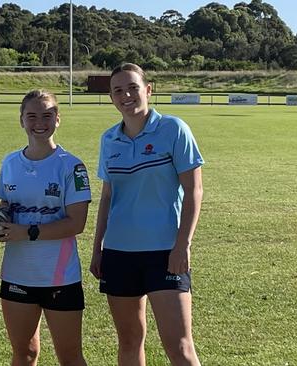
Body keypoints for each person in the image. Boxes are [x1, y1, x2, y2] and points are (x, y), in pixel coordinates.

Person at [89, 62, 204, 366]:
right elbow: (108, 197)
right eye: (118, 90)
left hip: (164, 252)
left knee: (179, 346)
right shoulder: (109, 139)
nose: (126, 95)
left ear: (148, 90)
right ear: (111, 97)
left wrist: (183, 244)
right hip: (118, 253)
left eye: (132, 87)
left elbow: (194, 191)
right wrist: (97, 248)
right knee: (129, 342)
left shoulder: (174, 129)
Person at [0, 90, 91, 366]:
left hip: (60, 277)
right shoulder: (10, 162)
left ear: (57, 119)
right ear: (21, 120)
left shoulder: (72, 167)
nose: (40, 122)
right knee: (24, 354)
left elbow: (77, 222)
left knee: (70, 357)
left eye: (47, 115)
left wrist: (27, 232)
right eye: (32, 115)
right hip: (17, 273)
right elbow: (6, 203)